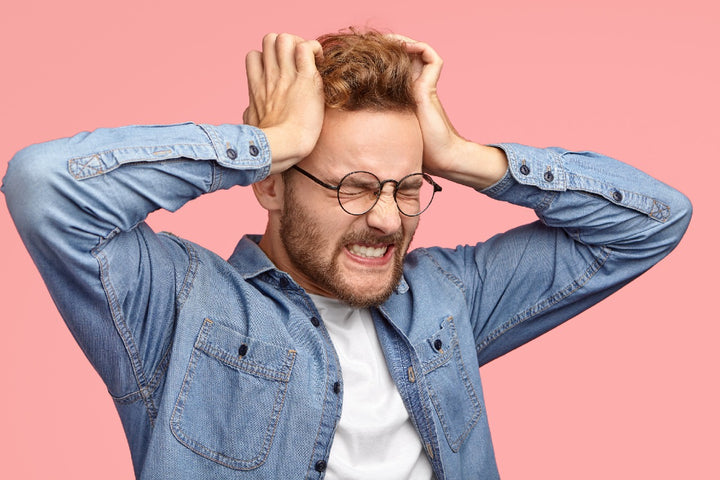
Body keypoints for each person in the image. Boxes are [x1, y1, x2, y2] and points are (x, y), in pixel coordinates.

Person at [2, 29, 691, 479]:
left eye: (408, 187)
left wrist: (464, 157)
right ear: (270, 188)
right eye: (354, 188)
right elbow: (44, 186)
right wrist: (266, 143)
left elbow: (655, 220)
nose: (387, 218)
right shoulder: (178, 307)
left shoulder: (450, 296)